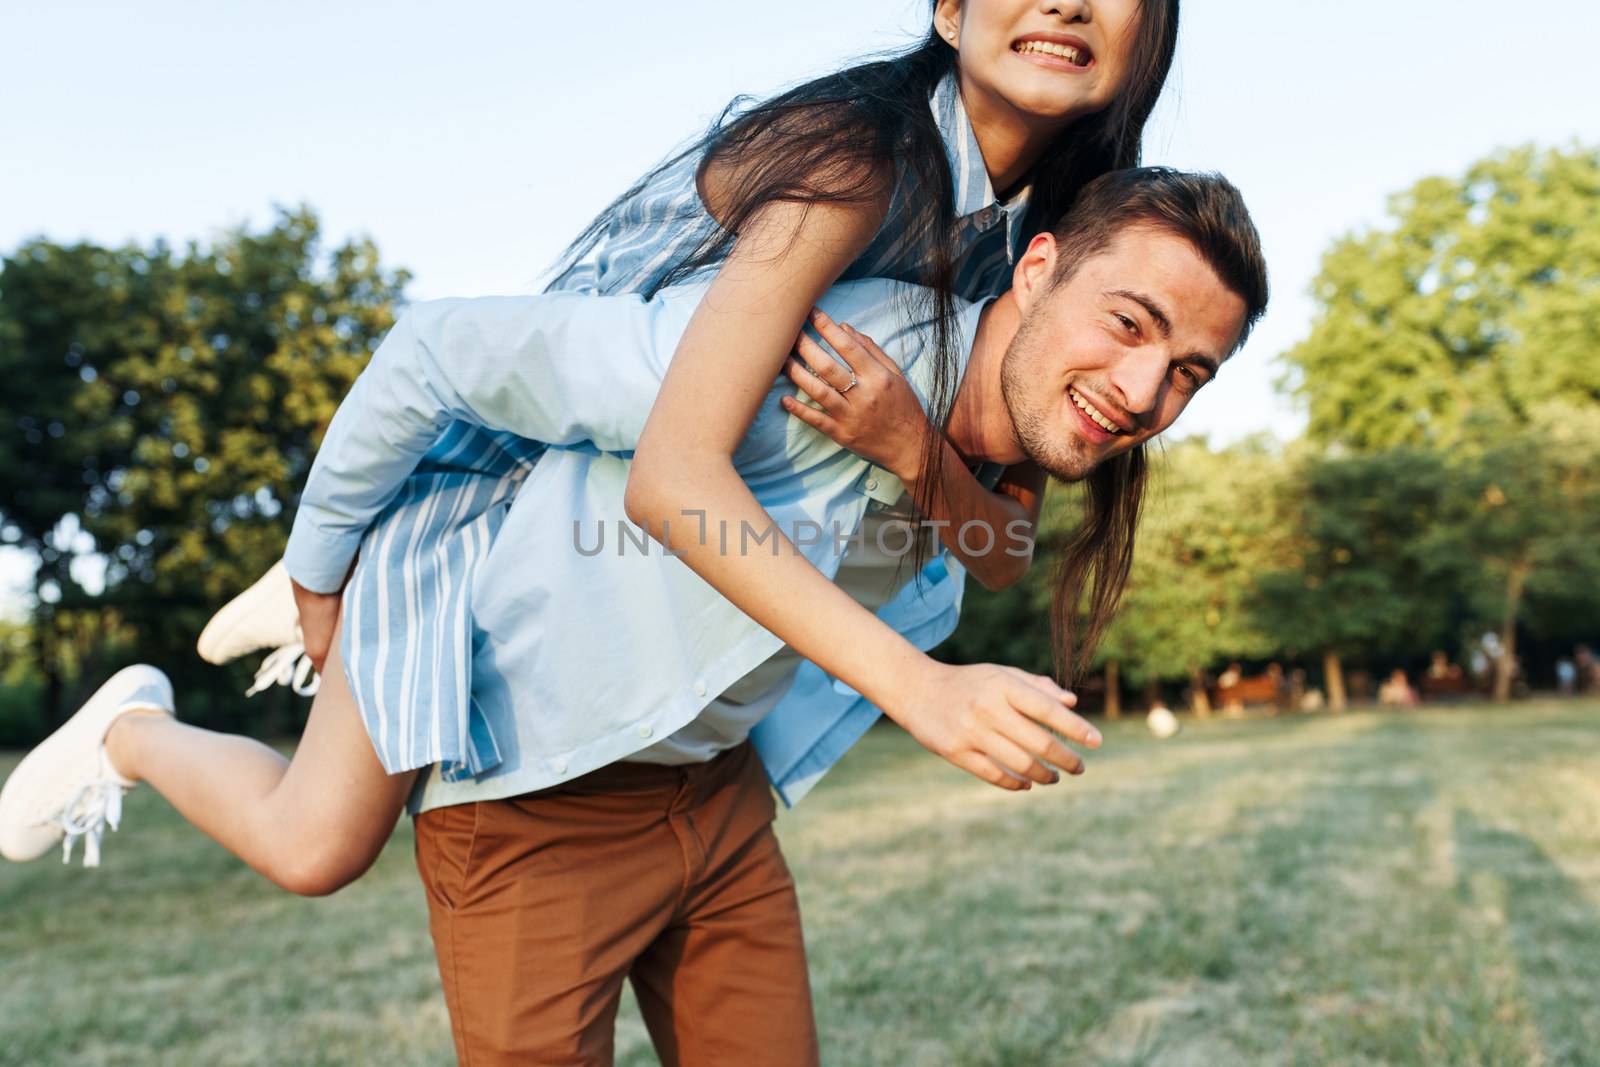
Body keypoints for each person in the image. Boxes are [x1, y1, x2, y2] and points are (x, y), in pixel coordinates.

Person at [3, 167, 1265, 1063]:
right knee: (313, 846)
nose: (1146, 389)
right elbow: (438, 351)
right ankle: (133, 729)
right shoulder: (795, 354)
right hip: (529, 792)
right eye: (1130, 324)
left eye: (1190, 373)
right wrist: (321, 567)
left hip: (709, 798)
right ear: (1035, 266)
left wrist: (912, 449)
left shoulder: (1000, 442)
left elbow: (993, 548)